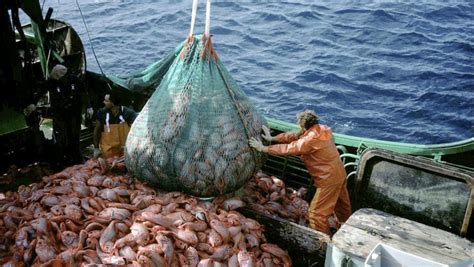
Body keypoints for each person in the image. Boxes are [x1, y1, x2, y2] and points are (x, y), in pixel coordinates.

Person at [249, 110, 352, 235]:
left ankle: (324, 244)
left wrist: (263, 148)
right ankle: (347, 231)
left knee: (315, 215)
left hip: (328, 180)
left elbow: (289, 148)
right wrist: (273, 138)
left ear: (303, 126)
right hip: (340, 174)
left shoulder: (309, 140)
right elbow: (295, 136)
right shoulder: (321, 130)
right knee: (342, 207)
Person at [48, 64, 84, 168]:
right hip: (60, 115)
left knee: (74, 135)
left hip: (74, 113)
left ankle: (76, 157)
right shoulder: (53, 83)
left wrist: (89, 106)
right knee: (62, 138)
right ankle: (63, 160)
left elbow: (82, 92)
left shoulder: (74, 80)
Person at [93, 93, 137, 159]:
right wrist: (96, 148)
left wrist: (133, 145)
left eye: (106, 101)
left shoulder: (128, 113)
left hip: (125, 150)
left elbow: (136, 129)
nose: (104, 102)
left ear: (112, 103)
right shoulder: (101, 112)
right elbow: (97, 130)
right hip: (108, 150)